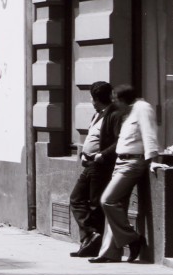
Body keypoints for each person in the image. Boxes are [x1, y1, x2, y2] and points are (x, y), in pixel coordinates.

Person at [92, 85, 159, 264]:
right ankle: (110, 253)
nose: (114, 104)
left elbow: (149, 133)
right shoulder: (129, 111)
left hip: (132, 163)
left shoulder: (142, 108)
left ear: (123, 99)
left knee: (108, 200)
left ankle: (133, 239)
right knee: (116, 206)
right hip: (121, 162)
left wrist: (152, 158)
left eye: (116, 100)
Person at [68, 82, 123, 258]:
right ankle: (90, 236)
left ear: (96, 99)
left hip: (100, 166)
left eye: (92, 97)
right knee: (76, 199)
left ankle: (92, 241)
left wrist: (102, 155)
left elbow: (119, 142)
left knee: (94, 205)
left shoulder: (113, 115)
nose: (91, 101)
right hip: (89, 164)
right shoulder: (97, 115)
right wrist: (84, 154)